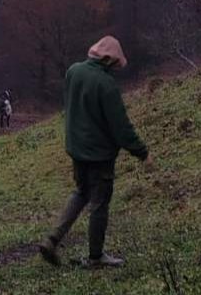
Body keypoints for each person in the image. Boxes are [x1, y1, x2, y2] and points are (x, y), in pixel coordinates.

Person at [37, 35, 149, 269]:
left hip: (77, 149)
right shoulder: (106, 85)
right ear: (109, 60)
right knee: (99, 203)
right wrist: (141, 152)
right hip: (100, 155)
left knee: (81, 192)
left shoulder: (73, 71)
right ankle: (96, 256)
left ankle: (52, 239)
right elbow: (121, 127)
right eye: (115, 64)